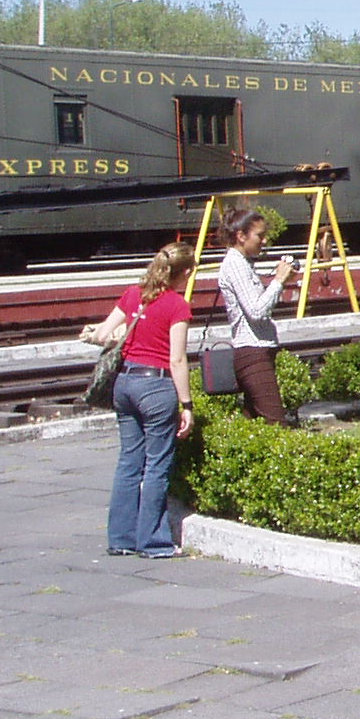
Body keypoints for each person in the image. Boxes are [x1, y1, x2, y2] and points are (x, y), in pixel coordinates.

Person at [94, 241, 197, 558]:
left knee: (129, 462)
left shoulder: (132, 294)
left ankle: (120, 538)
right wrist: (187, 405)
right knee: (156, 466)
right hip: (155, 387)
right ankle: (154, 542)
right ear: (185, 272)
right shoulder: (177, 306)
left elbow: (102, 335)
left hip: (124, 384)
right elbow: (177, 359)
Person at [215, 208, 297, 425]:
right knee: (275, 422)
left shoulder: (243, 263)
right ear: (241, 236)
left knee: (254, 422)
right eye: (259, 235)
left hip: (257, 350)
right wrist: (278, 281)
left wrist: (279, 281)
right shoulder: (235, 264)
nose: (264, 240)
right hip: (252, 351)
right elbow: (257, 311)